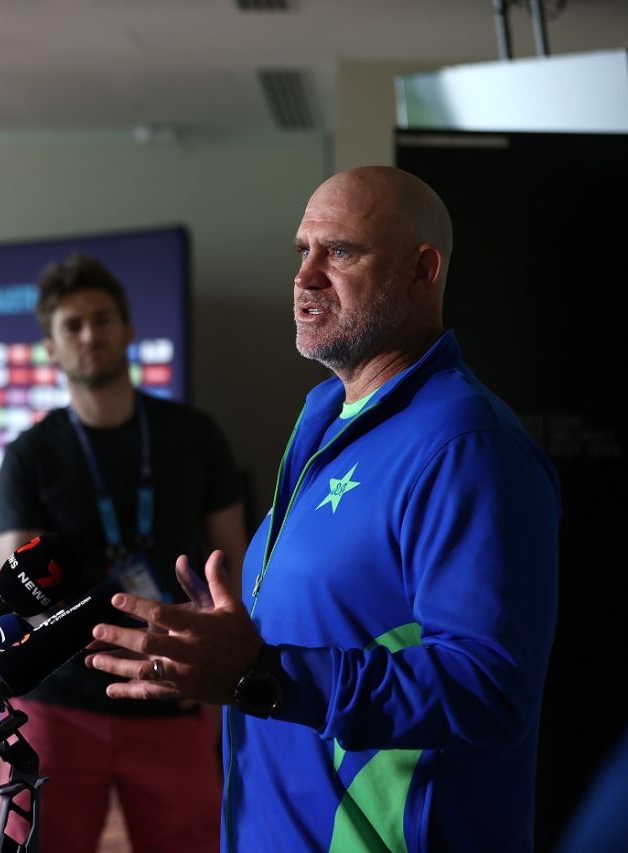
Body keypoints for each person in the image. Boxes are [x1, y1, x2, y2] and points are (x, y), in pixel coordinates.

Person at [87, 166, 561, 852]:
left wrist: (266, 673)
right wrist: (218, 645)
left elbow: (489, 689)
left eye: (339, 251)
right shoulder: (322, 414)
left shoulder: (468, 446)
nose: (306, 276)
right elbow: (341, 622)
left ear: (421, 270)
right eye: (301, 251)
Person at [0, 252, 247, 852]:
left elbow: (234, 569)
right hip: (56, 709)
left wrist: (212, 666)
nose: (91, 335)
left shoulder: (195, 435)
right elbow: (20, 595)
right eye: (73, 326)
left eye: (103, 319)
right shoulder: (30, 455)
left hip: (171, 695)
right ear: (51, 349)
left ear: (130, 329)